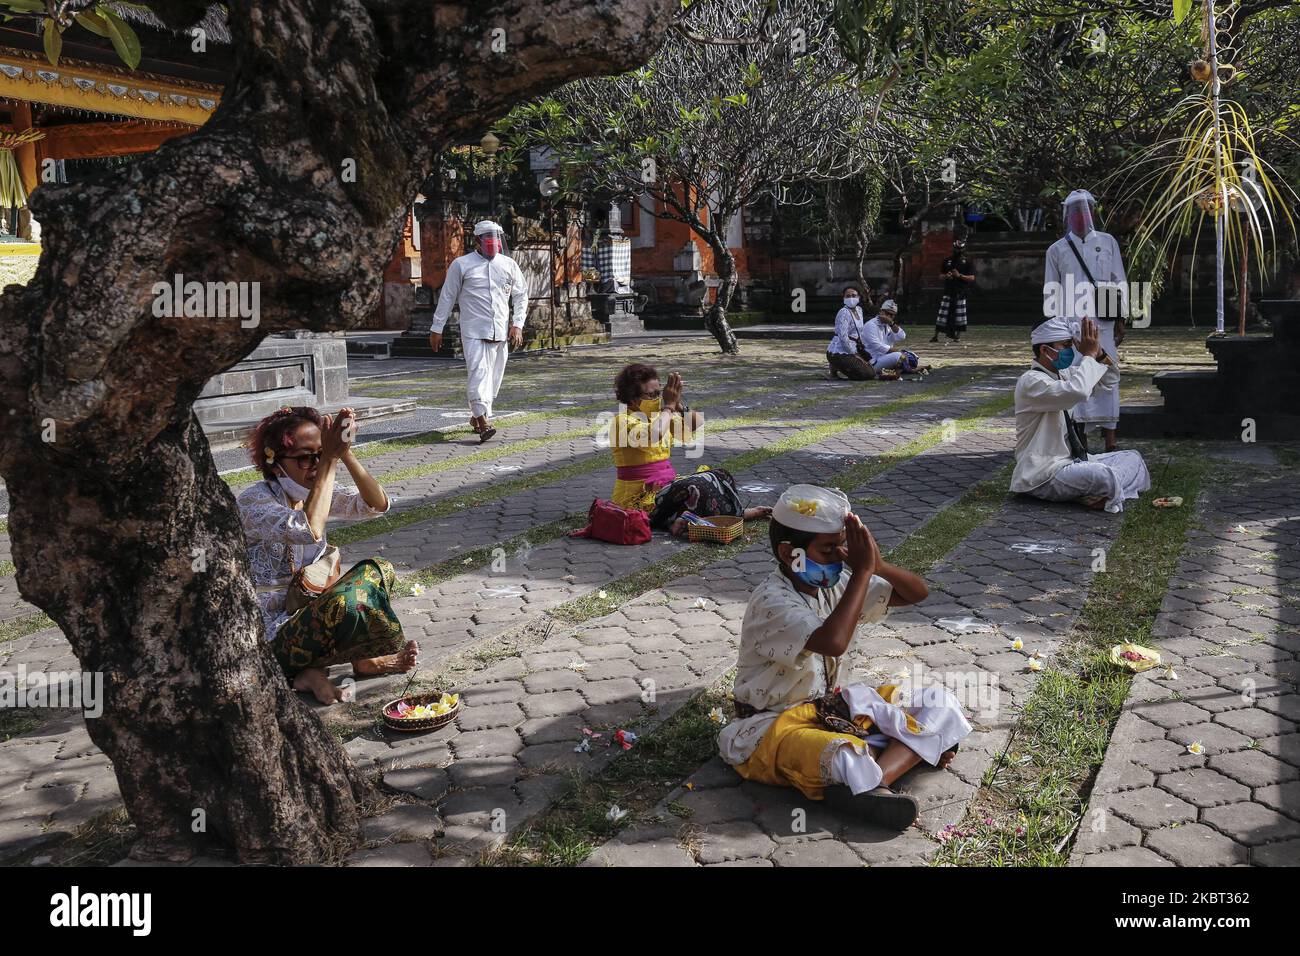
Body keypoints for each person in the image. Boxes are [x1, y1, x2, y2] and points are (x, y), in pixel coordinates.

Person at [717, 483, 972, 830]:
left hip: (837, 709)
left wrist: (877, 564)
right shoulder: (771, 601)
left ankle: (873, 782)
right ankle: (901, 757)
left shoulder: (837, 585)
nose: (840, 558)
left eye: (842, 548)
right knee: (842, 753)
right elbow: (833, 641)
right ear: (789, 552)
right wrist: (863, 574)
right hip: (773, 725)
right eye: (828, 550)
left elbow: (916, 592)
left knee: (941, 703)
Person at [238, 406, 417, 704]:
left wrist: (344, 453)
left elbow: (376, 504)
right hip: (267, 635)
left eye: (321, 453)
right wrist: (330, 461)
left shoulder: (314, 490)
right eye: (306, 457)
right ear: (274, 461)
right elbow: (309, 529)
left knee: (377, 571)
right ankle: (304, 672)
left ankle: (358, 661)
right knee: (344, 600)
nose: (316, 464)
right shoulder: (254, 500)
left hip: (306, 617)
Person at [1012, 318, 1151, 512]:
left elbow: (1110, 380)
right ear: (1044, 350)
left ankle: (1097, 493)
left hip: (1072, 463)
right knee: (1103, 475)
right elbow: (1079, 391)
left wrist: (1099, 354)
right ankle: (1104, 490)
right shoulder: (1031, 382)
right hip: (1044, 473)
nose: (1071, 351)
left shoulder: (1065, 374)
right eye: (1066, 345)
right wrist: (1089, 355)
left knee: (1133, 458)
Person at [428, 220, 529, 443]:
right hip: (473, 330)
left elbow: (521, 295)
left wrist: (517, 324)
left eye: (496, 241)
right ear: (476, 241)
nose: (493, 246)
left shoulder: (509, 265)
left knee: (493, 380)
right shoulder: (461, 265)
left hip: (501, 331)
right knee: (478, 373)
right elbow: (447, 297)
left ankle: (476, 415)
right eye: (488, 241)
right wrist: (437, 328)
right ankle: (483, 423)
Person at [1044, 190, 1128, 452]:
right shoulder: (1056, 249)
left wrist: (1121, 318)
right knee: (1075, 379)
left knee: (1107, 377)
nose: (1081, 216)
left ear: (1092, 213)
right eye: (1075, 211)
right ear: (1067, 216)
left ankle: (1111, 441)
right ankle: (1080, 440)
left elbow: (1119, 280)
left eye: (1085, 210)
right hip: (1072, 326)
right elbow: (1051, 289)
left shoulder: (1107, 241)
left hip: (1103, 323)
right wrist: (1055, 330)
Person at [861, 299, 924, 376]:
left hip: (885, 357)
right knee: (900, 356)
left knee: (913, 358)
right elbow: (877, 346)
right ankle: (908, 370)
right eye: (887, 313)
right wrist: (897, 351)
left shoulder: (889, 325)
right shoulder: (871, 325)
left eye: (892, 315)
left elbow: (902, 336)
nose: (889, 316)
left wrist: (891, 323)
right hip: (874, 361)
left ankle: (894, 370)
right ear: (881, 311)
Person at [826, 285, 875, 380]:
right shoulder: (844, 313)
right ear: (843, 298)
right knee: (867, 375)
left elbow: (859, 332)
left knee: (872, 370)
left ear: (858, 297)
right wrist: (855, 355)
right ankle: (837, 364)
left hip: (854, 346)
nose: (851, 298)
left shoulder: (859, 310)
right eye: (848, 296)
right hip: (840, 351)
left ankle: (838, 366)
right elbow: (843, 338)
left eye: (854, 295)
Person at [932, 236, 974, 343]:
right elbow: (940, 276)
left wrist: (959, 276)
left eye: (960, 249)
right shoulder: (947, 261)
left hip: (960, 291)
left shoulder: (967, 261)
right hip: (948, 291)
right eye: (956, 248)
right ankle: (935, 336)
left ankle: (957, 336)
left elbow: (972, 278)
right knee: (943, 313)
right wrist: (947, 276)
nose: (958, 251)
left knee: (960, 315)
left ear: (963, 249)